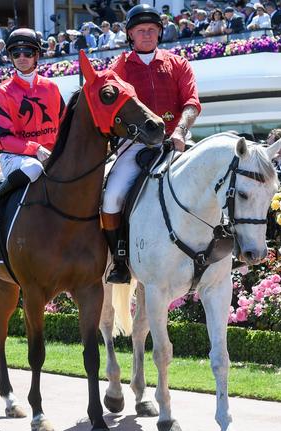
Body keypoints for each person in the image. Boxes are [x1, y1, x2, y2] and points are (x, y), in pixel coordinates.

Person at [102, 4, 201, 283]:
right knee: (111, 197)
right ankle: (119, 260)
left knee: (212, 182)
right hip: (135, 145)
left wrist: (180, 131)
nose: (147, 34)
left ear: (160, 33)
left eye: (152, 30)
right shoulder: (118, 67)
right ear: (130, 34)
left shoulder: (178, 63)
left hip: (175, 140)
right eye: (140, 30)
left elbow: (192, 103)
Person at [0, 28, 65, 230]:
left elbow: (64, 124)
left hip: (51, 155)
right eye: (16, 54)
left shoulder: (51, 87)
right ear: (10, 57)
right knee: (33, 168)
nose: (22, 58)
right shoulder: (3, 91)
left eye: (27, 52)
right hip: (16, 157)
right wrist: (35, 148)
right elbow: (5, 139)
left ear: (37, 55)